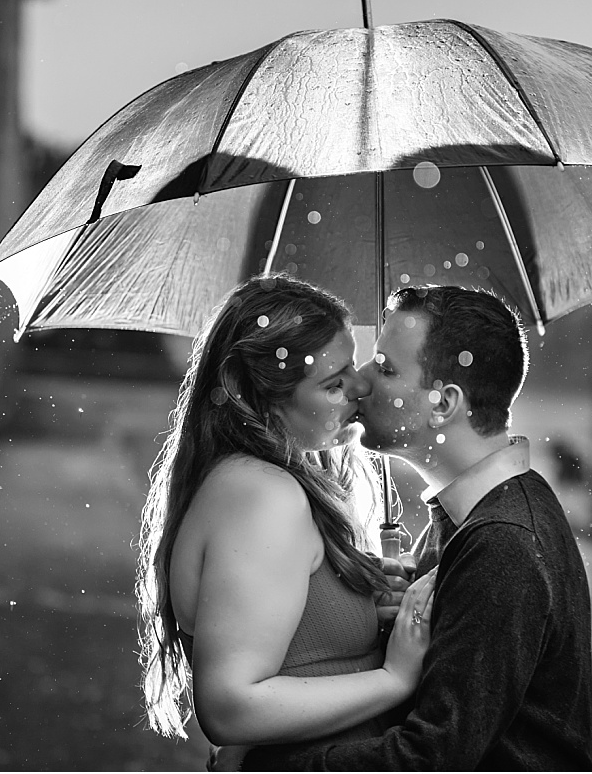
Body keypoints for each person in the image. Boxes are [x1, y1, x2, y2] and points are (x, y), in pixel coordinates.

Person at [242, 284, 592, 771]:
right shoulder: (472, 519)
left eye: (386, 368)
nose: (359, 382)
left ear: (443, 404)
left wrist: (265, 765)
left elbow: (430, 758)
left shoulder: (503, 543)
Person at [136, 274, 437, 763]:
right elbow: (230, 708)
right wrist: (394, 679)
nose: (362, 386)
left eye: (353, 363)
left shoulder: (253, 480)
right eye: (334, 382)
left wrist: (354, 600)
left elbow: (294, 645)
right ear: (258, 397)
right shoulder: (263, 496)